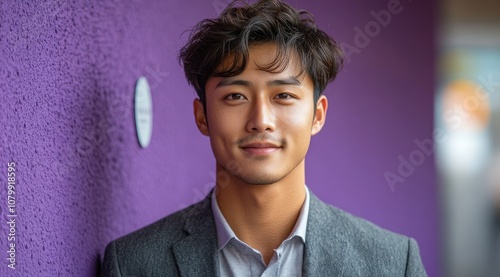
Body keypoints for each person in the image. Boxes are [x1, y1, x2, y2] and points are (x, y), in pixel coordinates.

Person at [100, 0, 427, 276]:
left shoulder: (394, 263)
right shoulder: (131, 264)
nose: (260, 121)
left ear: (317, 115)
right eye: (235, 97)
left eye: (283, 95)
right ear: (202, 117)